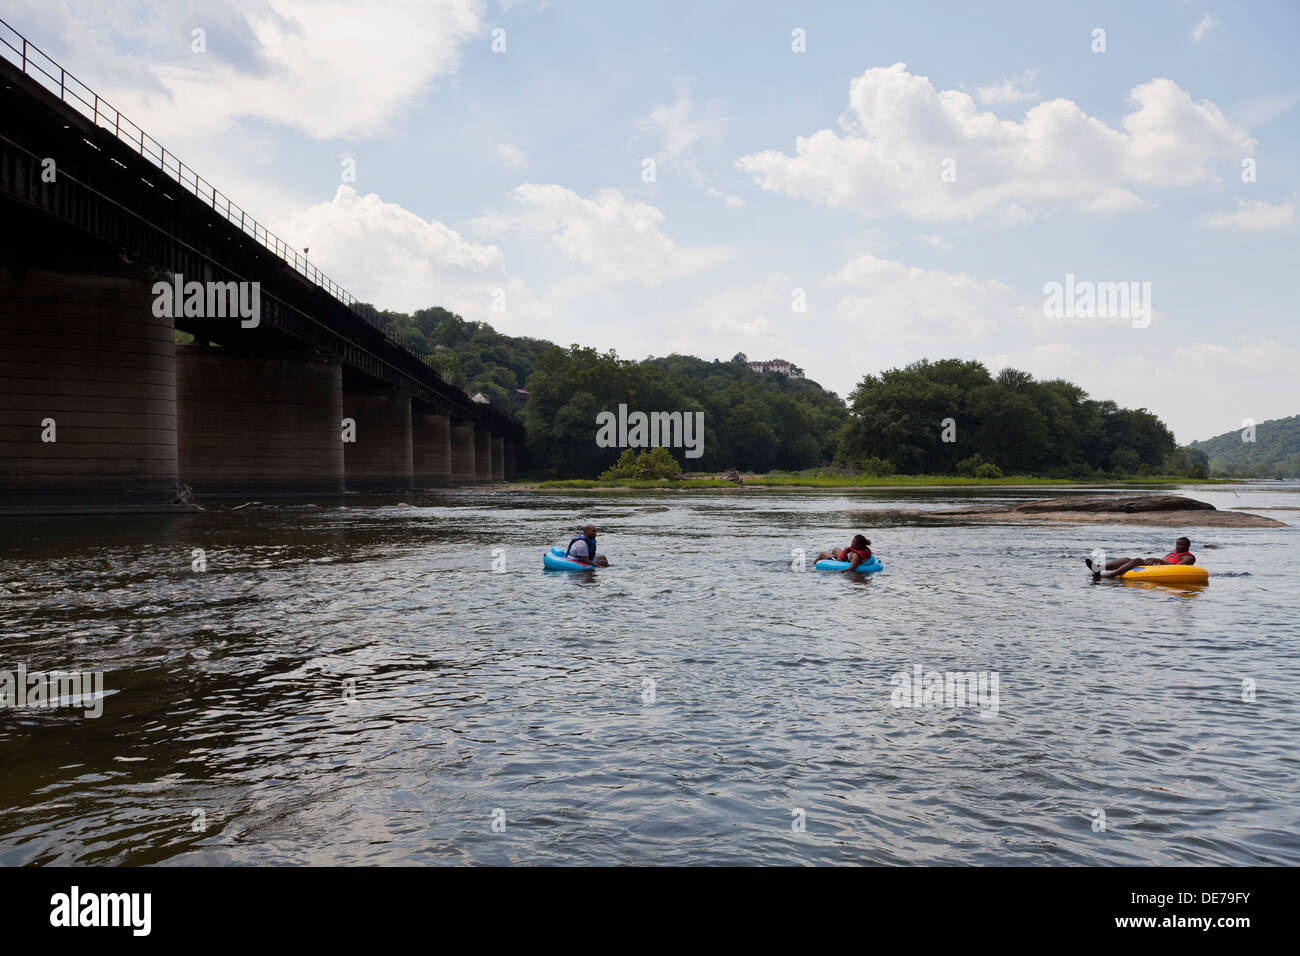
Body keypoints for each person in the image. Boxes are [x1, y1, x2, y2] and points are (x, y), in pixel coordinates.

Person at [1087, 537, 1195, 579]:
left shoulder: (1188, 557)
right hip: (1157, 567)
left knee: (1138, 560)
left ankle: (1109, 575)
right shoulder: (1174, 552)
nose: (1177, 546)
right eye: (1177, 544)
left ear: (1187, 546)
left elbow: (1177, 567)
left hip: (1166, 570)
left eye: (1180, 545)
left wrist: (1160, 561)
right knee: (1127, 559)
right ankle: (1098, 567)